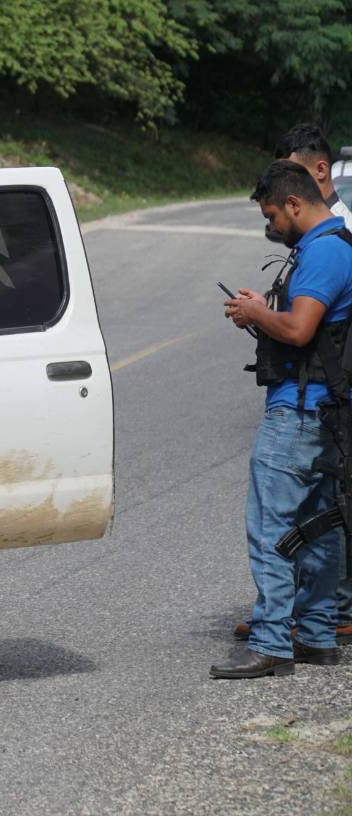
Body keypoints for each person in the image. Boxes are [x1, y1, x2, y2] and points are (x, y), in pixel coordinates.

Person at [212, 160, 352, 679]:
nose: (271, 225)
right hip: (329, 413)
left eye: (273, 214)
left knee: (271, 524)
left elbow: (297, 329)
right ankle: (316, 635)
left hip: (298, 413)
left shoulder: (322, 253)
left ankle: (271, 642)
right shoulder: (342, 247)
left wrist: (255, 314)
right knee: (319, 526)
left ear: (295, 203)